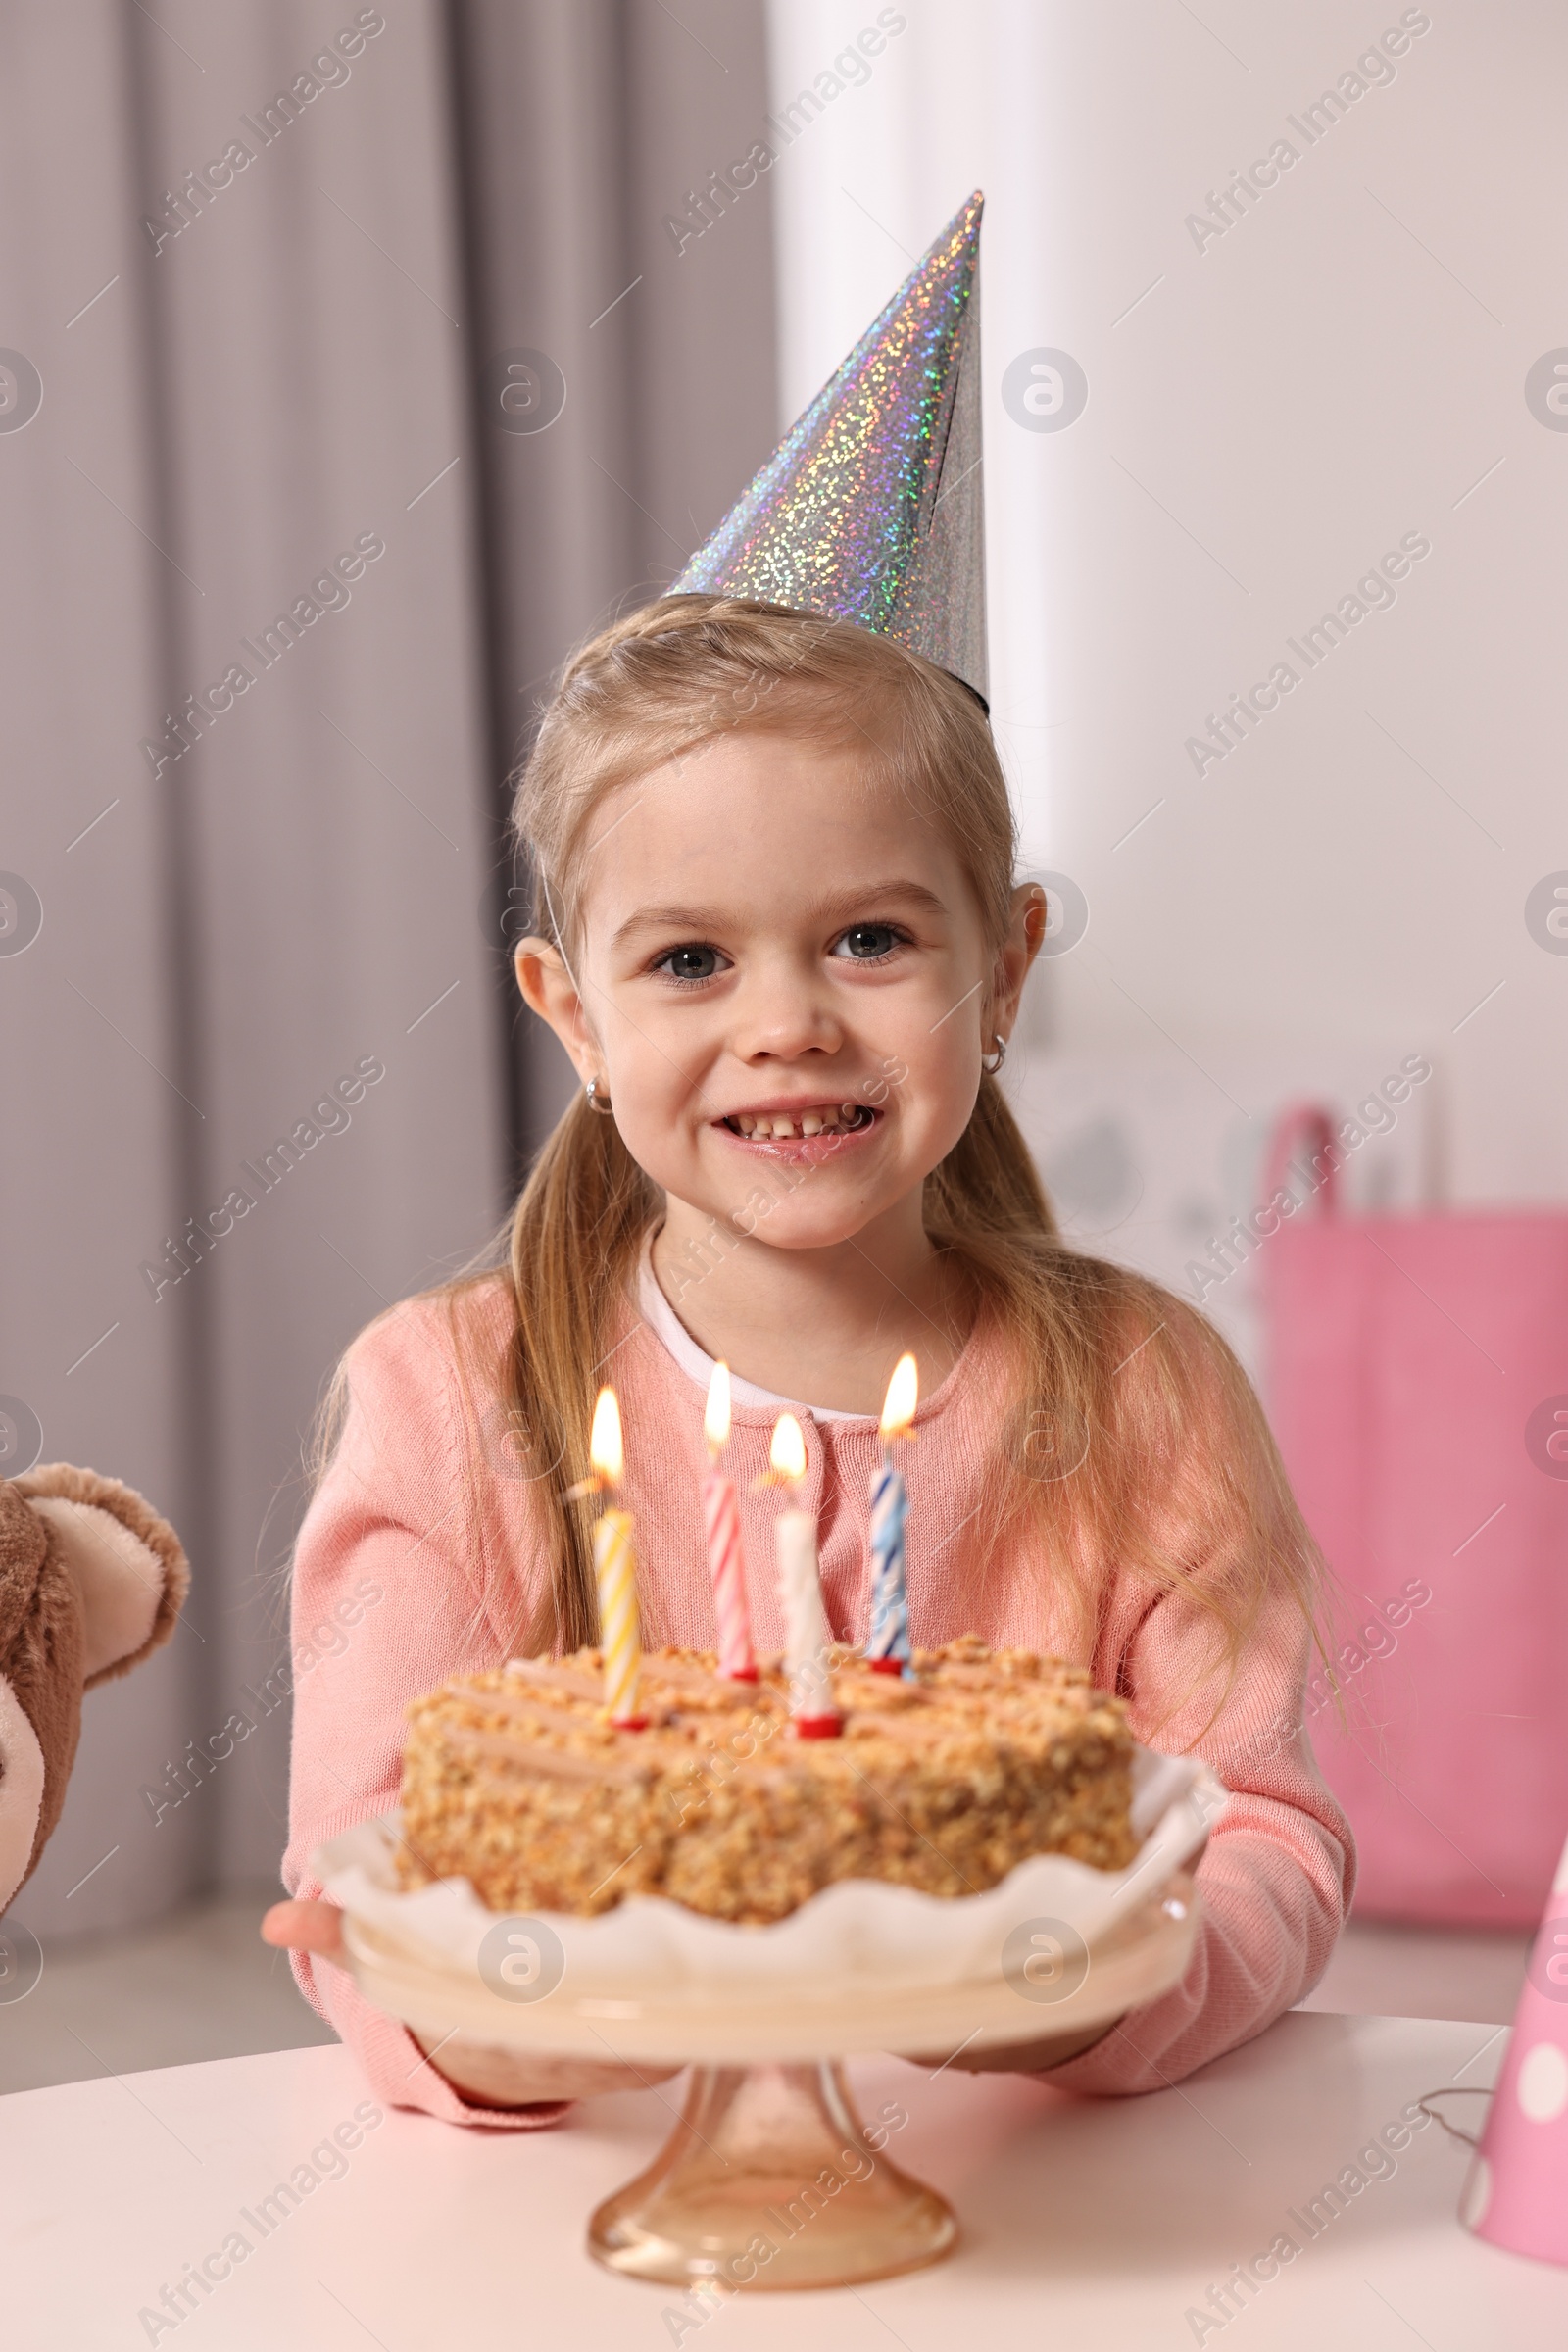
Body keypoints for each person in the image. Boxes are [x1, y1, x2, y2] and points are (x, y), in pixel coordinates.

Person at [264, 591, 1352, 2127]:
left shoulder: (1138, 1391)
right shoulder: (449, 1404)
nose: (786, 1023)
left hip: (1036, 2202)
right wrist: (480, 2030)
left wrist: (1097, 1989)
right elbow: (370, 1859)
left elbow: (1262, 1831)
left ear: (1006, 966)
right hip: (593, 2203)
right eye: (691, 960)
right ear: (572, 1015)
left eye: (870, 939)